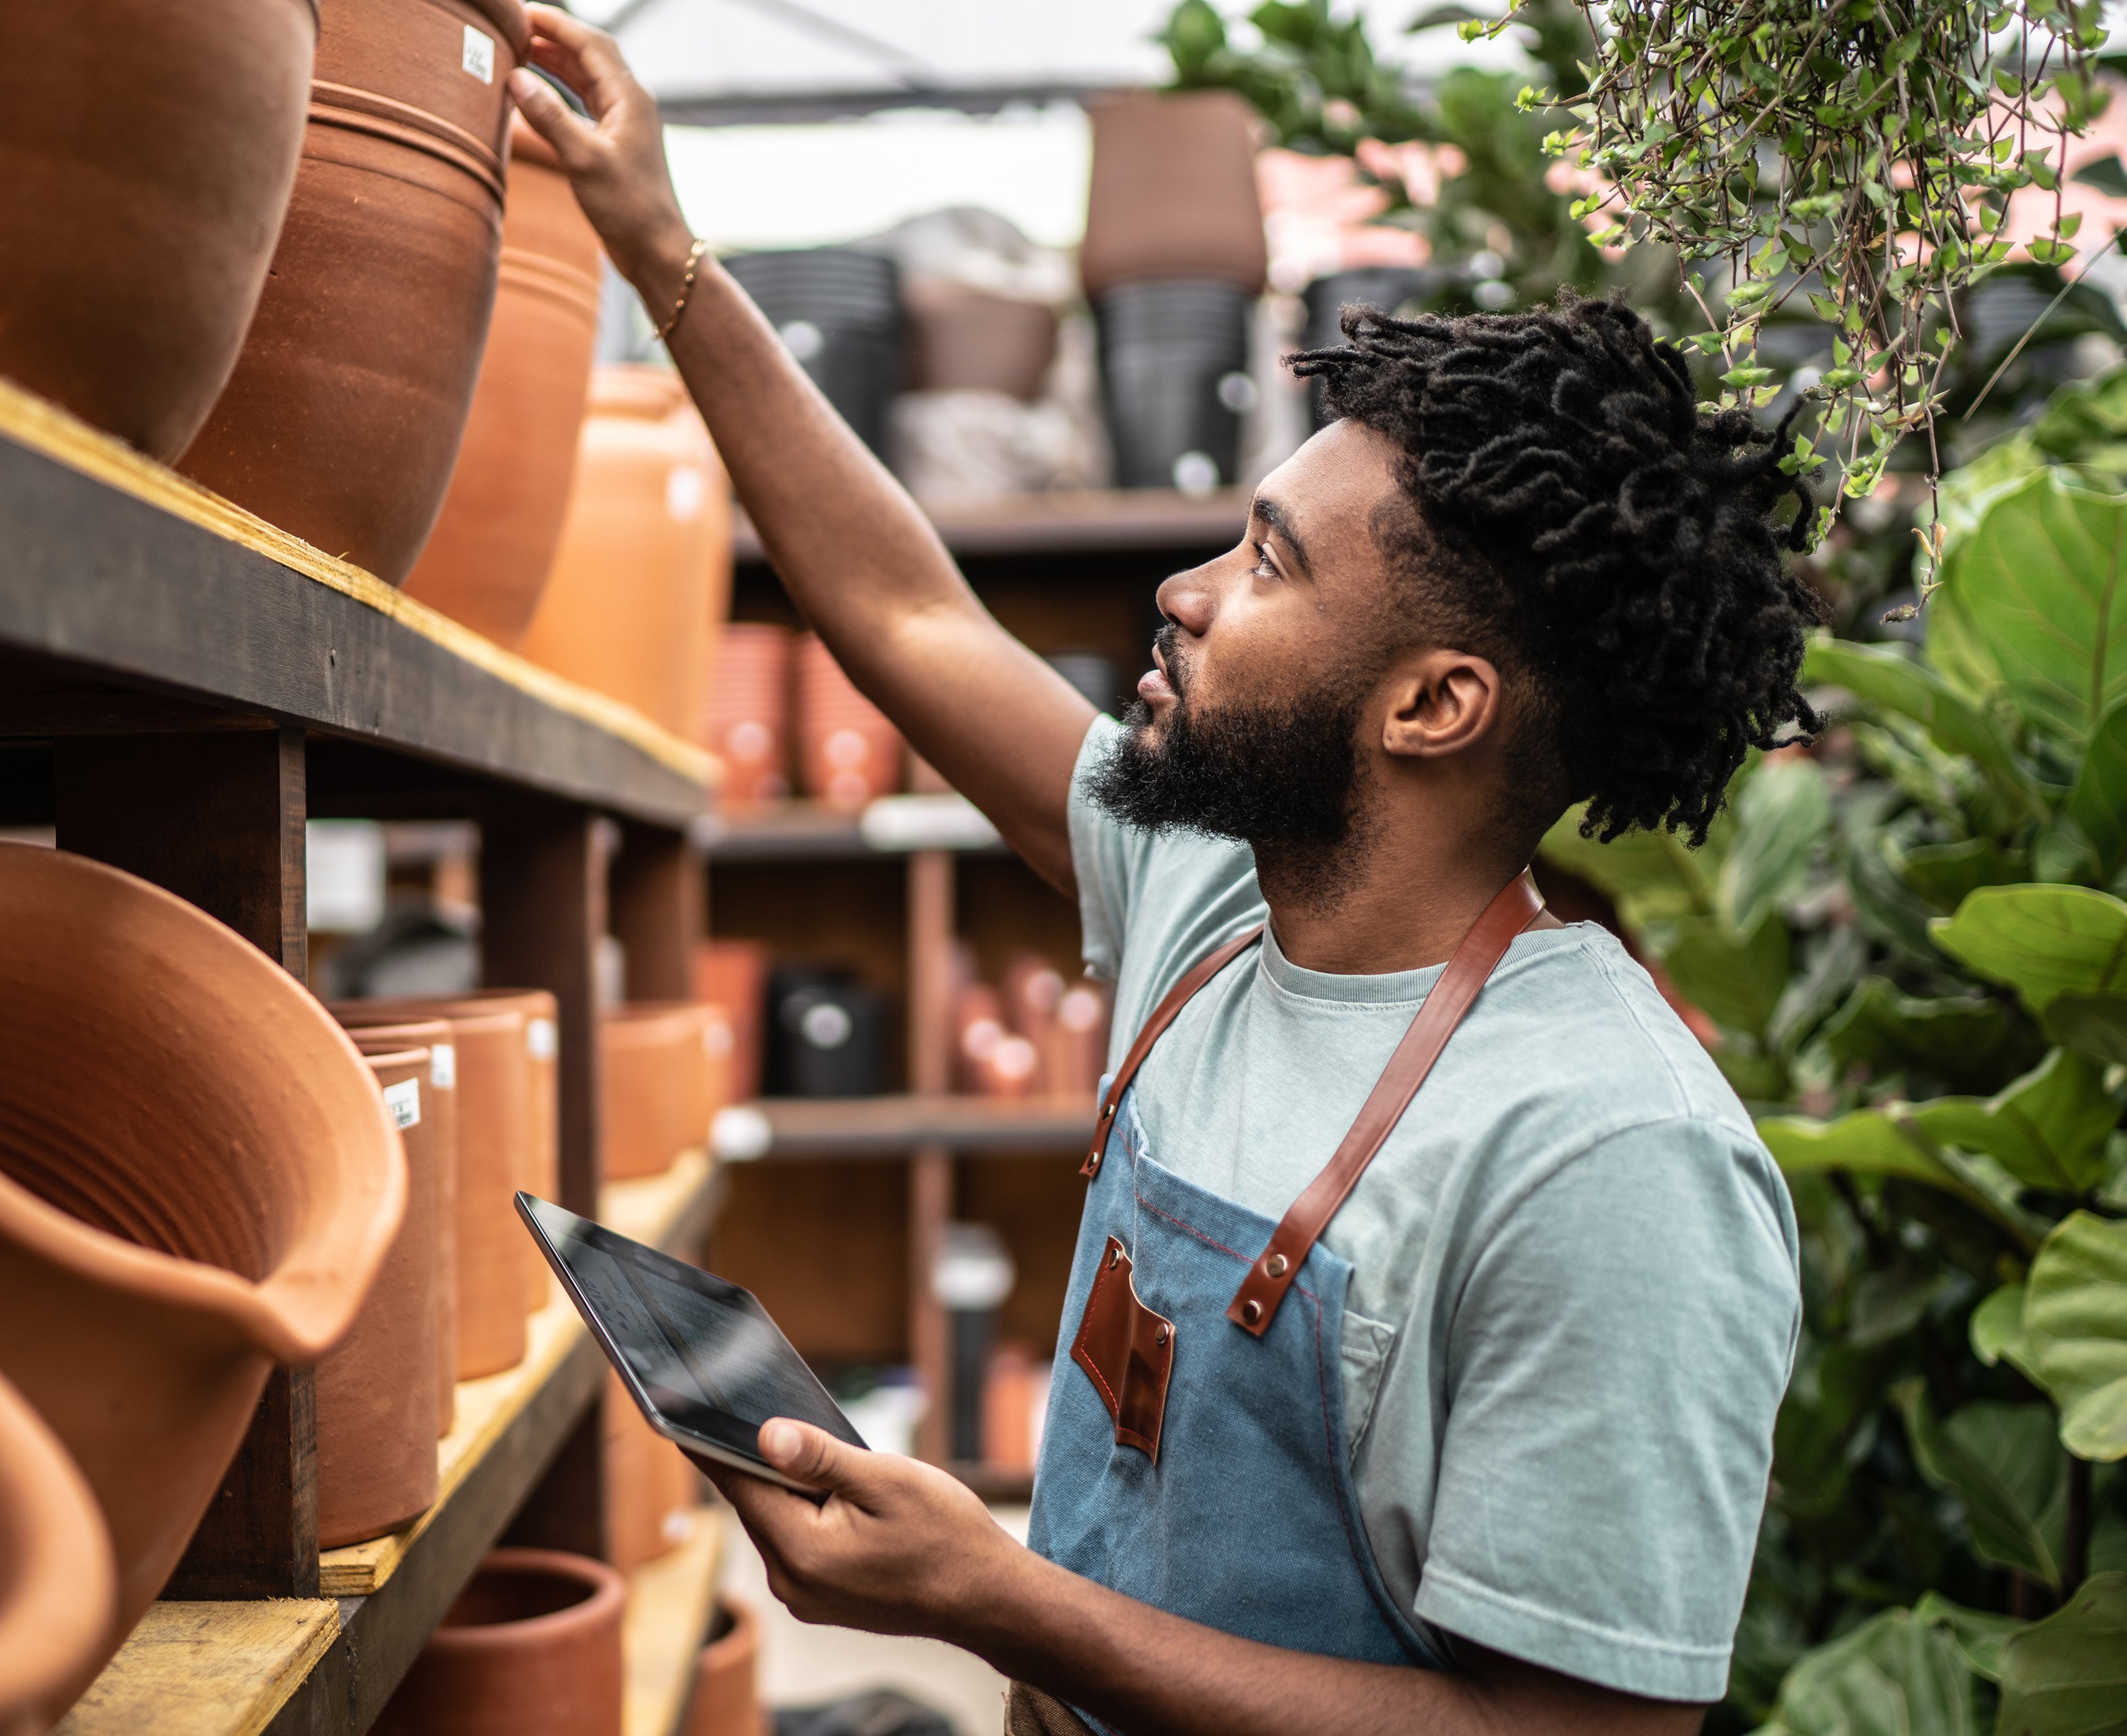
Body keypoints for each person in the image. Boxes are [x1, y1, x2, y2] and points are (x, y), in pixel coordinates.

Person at [508, 12, 1815, 1733]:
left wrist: (1002, 1601)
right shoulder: (1211, 904)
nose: (1185, 591)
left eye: (1265, 563)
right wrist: (657, 244)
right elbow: (906, 612)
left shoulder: (1604, 1157)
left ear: (1434, 705)